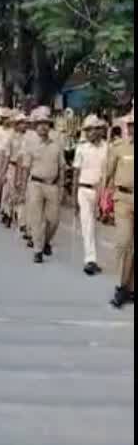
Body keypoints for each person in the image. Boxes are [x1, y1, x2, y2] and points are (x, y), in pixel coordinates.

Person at [102, 109, 134, 308]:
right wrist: (103, 200)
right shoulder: (119, 148)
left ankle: (131, 288)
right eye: (131, 125)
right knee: (124, 244)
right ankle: (121, 287)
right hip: (123, 198)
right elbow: (107, 175)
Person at [23, 107, 63, 263]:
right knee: (37, 219)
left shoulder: (56, 144)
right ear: (35, 126)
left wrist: (61, 187)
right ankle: (38, 250)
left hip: (52, 185)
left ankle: (45, 241)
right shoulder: (31, 144)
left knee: (54, 220)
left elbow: (62, 167)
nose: (43, 126)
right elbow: (26, 167)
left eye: (45, 123)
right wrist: (23, 186)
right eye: (40, 123)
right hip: (35, 184)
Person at [73, 114, 109, 275]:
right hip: (83, 190)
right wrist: (74, 196)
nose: (90, 133)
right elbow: (76, 172)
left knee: (97, 227)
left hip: (100, 191)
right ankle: (90, 260)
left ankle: (93, 257)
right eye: (88, 130)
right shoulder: (81, 147)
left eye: (93, 129)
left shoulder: (107, 148)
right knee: (87, 225)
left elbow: (108, 171)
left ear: (100, 130)